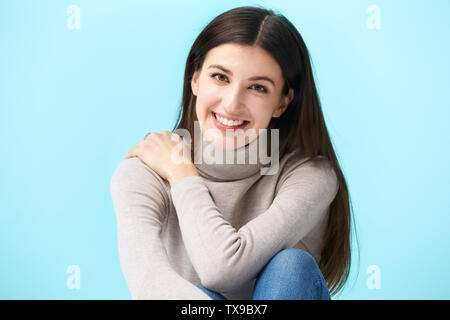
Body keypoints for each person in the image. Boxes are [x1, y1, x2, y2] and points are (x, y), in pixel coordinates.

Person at [110, 5, 357, 300]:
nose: (231, 104)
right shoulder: (146, 168)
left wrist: (182, 173)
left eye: (257, 87)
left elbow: (221, 270)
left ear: (282, 102)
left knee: (291, 267)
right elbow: (149, 284)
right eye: (220, 77)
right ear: (195, 79)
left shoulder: (310, 177)